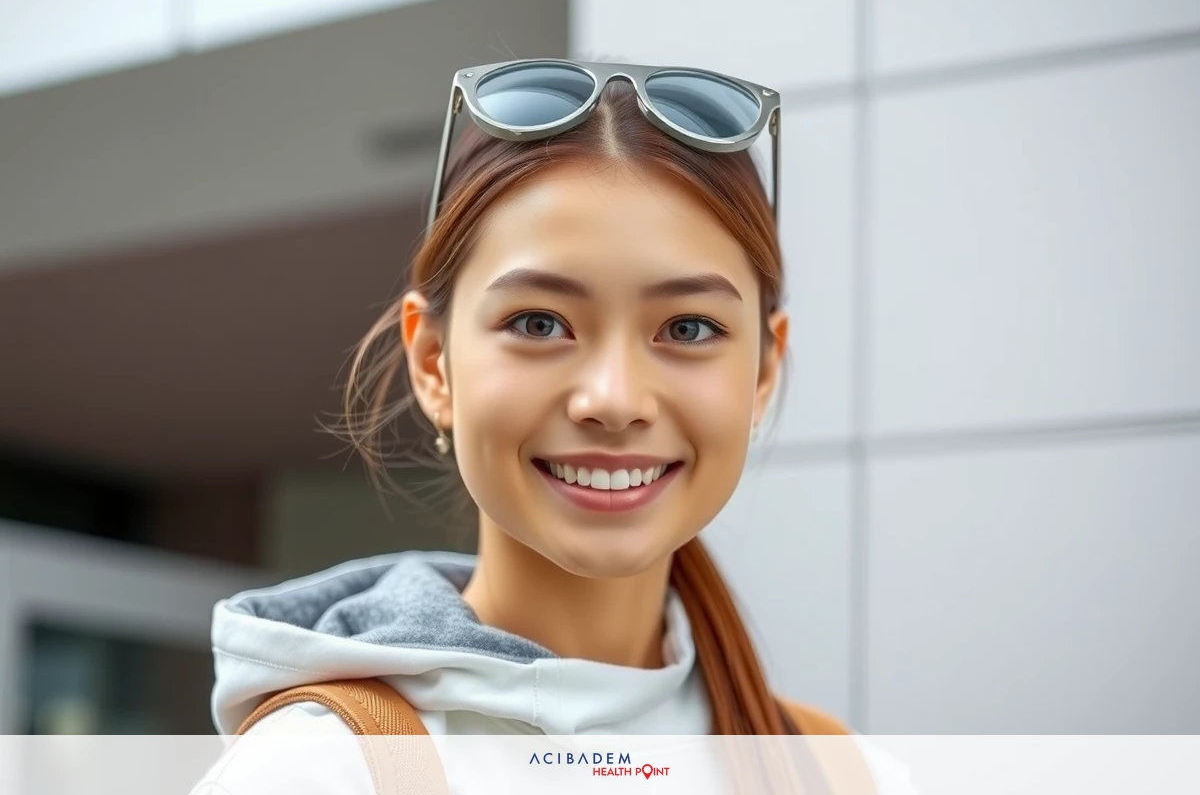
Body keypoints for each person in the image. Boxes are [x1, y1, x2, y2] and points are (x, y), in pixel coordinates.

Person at [191, 59, 916, 794]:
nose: (613, 398)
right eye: (539, 323)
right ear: (435, 363)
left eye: (689, 328)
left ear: (763, 372)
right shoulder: (316, 771)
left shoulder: (847, 774)